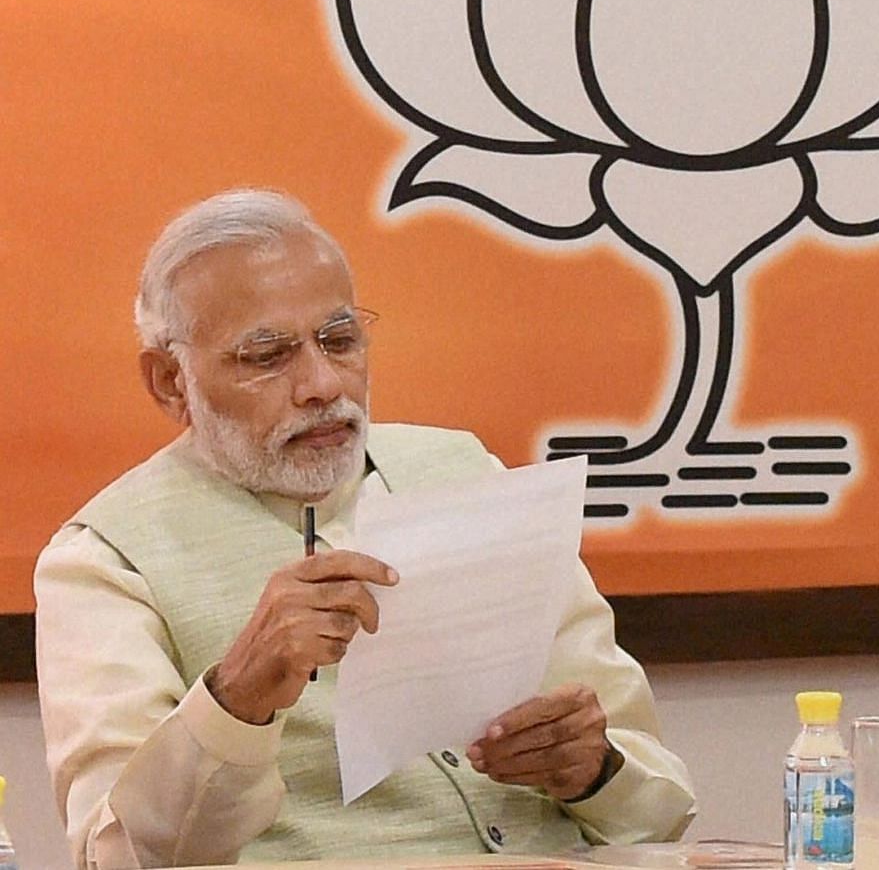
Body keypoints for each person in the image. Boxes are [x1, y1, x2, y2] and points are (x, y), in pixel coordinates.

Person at [35, 189, 697, 869]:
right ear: (170, 381)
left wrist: (593, 768)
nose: (322, 383)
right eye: (268, 356)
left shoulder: (471, 476)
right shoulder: (105, 558)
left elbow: (664, 810)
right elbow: (115, 859)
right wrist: (236, 697)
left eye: (340, 339)